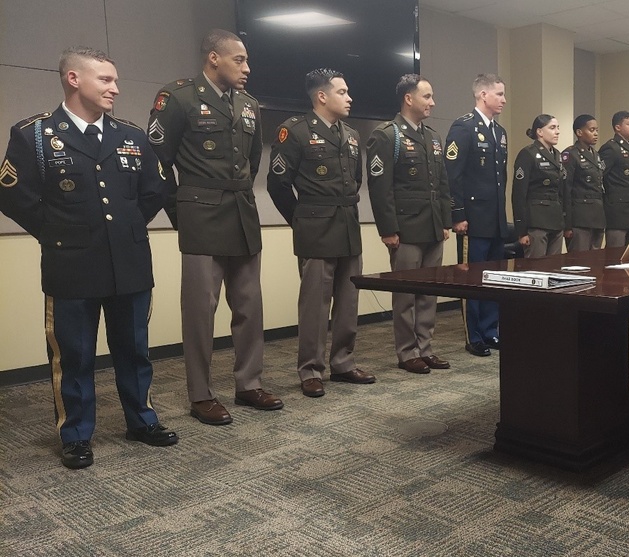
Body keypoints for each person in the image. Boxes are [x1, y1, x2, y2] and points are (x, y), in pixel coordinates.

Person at [0, 47, 176, 469]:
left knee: (134, 350)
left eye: (115, 80)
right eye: (106, 80)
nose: (115, 88)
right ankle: (76, 434)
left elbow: (155, 191)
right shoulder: (34, 136)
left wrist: (126, 228)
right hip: (71, 266)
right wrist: (59, 232)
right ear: (74, 79)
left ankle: (142, 420)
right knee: (73, 355)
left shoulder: (131, 136)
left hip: (130, 263)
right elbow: (12, 195)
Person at [147, 29, 281, 425]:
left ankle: (248, 383)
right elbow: (158, 163)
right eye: (239, 60)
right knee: (200, 312)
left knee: (249, 308)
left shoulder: (249, 104)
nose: (247, 68)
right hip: (200, 215)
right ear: (213, 59)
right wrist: (181, 211)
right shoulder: (178, 98)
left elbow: (251, 162)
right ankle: (201, 394)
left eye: (246, 60)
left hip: (242, 213)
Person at [267, 69, 375, 398]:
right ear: (322, 97)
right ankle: (311, 369)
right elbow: (277, 184)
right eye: (342, 92)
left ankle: (343, 362)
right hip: (314, 226)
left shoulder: (352, 135)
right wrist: (300, 221)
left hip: (347, 225)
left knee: (348, 300)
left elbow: (354, 181)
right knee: (315, 304)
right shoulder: (295, 131)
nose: (349, 97)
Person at [367, 74, 452, 374]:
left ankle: (425, 348)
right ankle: (407, 352)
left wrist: (446, 222)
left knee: (429, 292)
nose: (432, 102)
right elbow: (380, 188)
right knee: (405, 295)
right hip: (405, 229)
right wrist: (388, 230)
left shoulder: (433, 137)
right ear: (408, 98)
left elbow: (442, 184)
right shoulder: (388, 135)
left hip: (433, 227)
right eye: (427, 96)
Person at [445, 73, 507, 357]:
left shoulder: (499, 132)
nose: (504, 100)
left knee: (494, 278)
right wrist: (457, 214)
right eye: (499, 94)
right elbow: (452, 176)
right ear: (483, 95)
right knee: (472, 279)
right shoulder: (464, 127)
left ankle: (492, 330)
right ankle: (475, 336)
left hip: (494, 220)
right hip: (472, 219)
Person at [512, 114, 565, 257]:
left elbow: (561, 190)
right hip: (536, 221)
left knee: (554, 269)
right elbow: (519, 194)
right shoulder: (528, 154)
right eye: (552, 128)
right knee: (536, 269)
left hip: (555, 219)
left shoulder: (557, 155)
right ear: (539, 132)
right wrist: (521, 231)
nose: (557, 131)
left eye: (558, 128)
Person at [561, 114, 606, 252]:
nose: (596, 133)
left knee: (596, 263)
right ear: (579, 132)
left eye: (597, 130)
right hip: (580, 217)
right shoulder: (570, 154)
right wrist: (567, 224)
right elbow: (565, 189)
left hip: (597, 215)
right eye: (591, 130)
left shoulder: (596, 154)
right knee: (579, 263)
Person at [600, 110, 629, 248]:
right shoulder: (611, 148)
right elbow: (600, 176)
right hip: (617, 210)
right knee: (614, 253)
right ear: (618, 127)